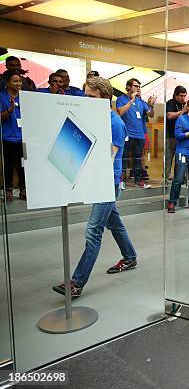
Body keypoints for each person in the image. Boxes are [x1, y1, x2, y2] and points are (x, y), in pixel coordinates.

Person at [52, 77, 138, 298]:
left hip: (107, 183)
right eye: (85, 95)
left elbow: (106, 160)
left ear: (105, 98)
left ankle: (77, 283)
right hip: (96, 181)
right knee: (115, 223)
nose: (86, 100)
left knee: (93, 230)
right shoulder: (89, 118)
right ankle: (130, 257)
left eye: (91, 97)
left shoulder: (115, 123)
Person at [116, 78, 156, 189]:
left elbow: (151, 114)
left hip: (139, 135)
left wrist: (151, 105)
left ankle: (138, 181)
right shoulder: (121, 99)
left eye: (139, 86)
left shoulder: (141, 102)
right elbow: (120, 112)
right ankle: (120, 182)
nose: (138, 88)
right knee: (123, 158)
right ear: (128, 87)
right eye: (136, 86)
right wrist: (131, 101)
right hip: (127, 134)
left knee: (138, 159)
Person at [167, 98, 189, 213]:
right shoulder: (181, 119)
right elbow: (177, 135)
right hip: (182, 152)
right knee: (178, 179)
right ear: (188, 107)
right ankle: (172, 203)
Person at [0, 70, 26, 201]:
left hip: (23, 138)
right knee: (8, 166)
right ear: (8, 82)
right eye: (15, 81)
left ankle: (23, 190)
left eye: (20, 81)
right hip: (8, 137)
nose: (18, 83)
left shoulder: (24, 96)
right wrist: (9, 110)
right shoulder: (1, 96)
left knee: (22, 165)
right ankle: (8, 191)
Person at [165, 86, 188, 182]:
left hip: (182, 136)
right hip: (171, 135)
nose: (183, 98)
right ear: (175, 95)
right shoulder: (171, 103)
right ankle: (166, 176)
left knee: (181, 157)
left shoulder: (185, 104)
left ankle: (179, 176)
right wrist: (182, 111)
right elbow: (169, 115)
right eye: (181, 96)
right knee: (169, 157)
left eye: (185, 96)